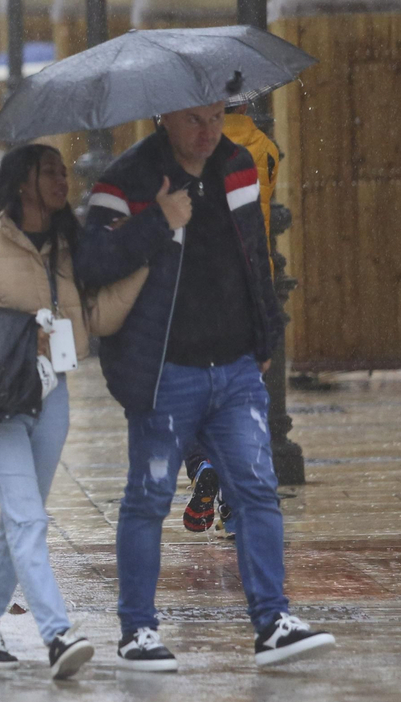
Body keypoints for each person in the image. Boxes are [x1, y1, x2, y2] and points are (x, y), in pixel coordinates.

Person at [76, 102, 336, 671]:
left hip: (236, 367)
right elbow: (90, 262)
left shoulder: (237, 165)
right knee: (148, 499)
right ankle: (138, 631)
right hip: (165, 370)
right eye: (195, 119)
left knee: (257, 491)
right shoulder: (126, 179)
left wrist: (266, 336)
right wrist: (158, 220)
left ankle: (273, 622)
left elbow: (256, 253)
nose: (209, 130)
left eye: (216, 116)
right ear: (164, 116)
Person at [0, 145, 142, 679]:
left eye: (63, 171)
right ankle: (57, 634)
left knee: (18, 522)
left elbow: (95, 316)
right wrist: (17, 338)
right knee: (28, 519)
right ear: (22, 181)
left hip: (54, 397)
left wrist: (146, 261)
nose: (61, 179)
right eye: (49, 171)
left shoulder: (70, 248)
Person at [177, 101, 283, 535]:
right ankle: (237, 506)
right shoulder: (263, 148)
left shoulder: (184, 151)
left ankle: (203, 463)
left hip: (191, 290)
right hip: (248, 285)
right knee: (242, 400)